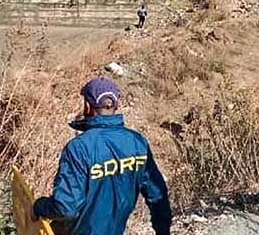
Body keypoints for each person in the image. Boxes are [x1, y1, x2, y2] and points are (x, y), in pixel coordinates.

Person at [33, 77, 172, 235]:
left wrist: (39, 206)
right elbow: (157, 196)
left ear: (87, 106)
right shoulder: (137, 142)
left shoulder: (79, 148)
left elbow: (66, 208)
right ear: (116, 105)